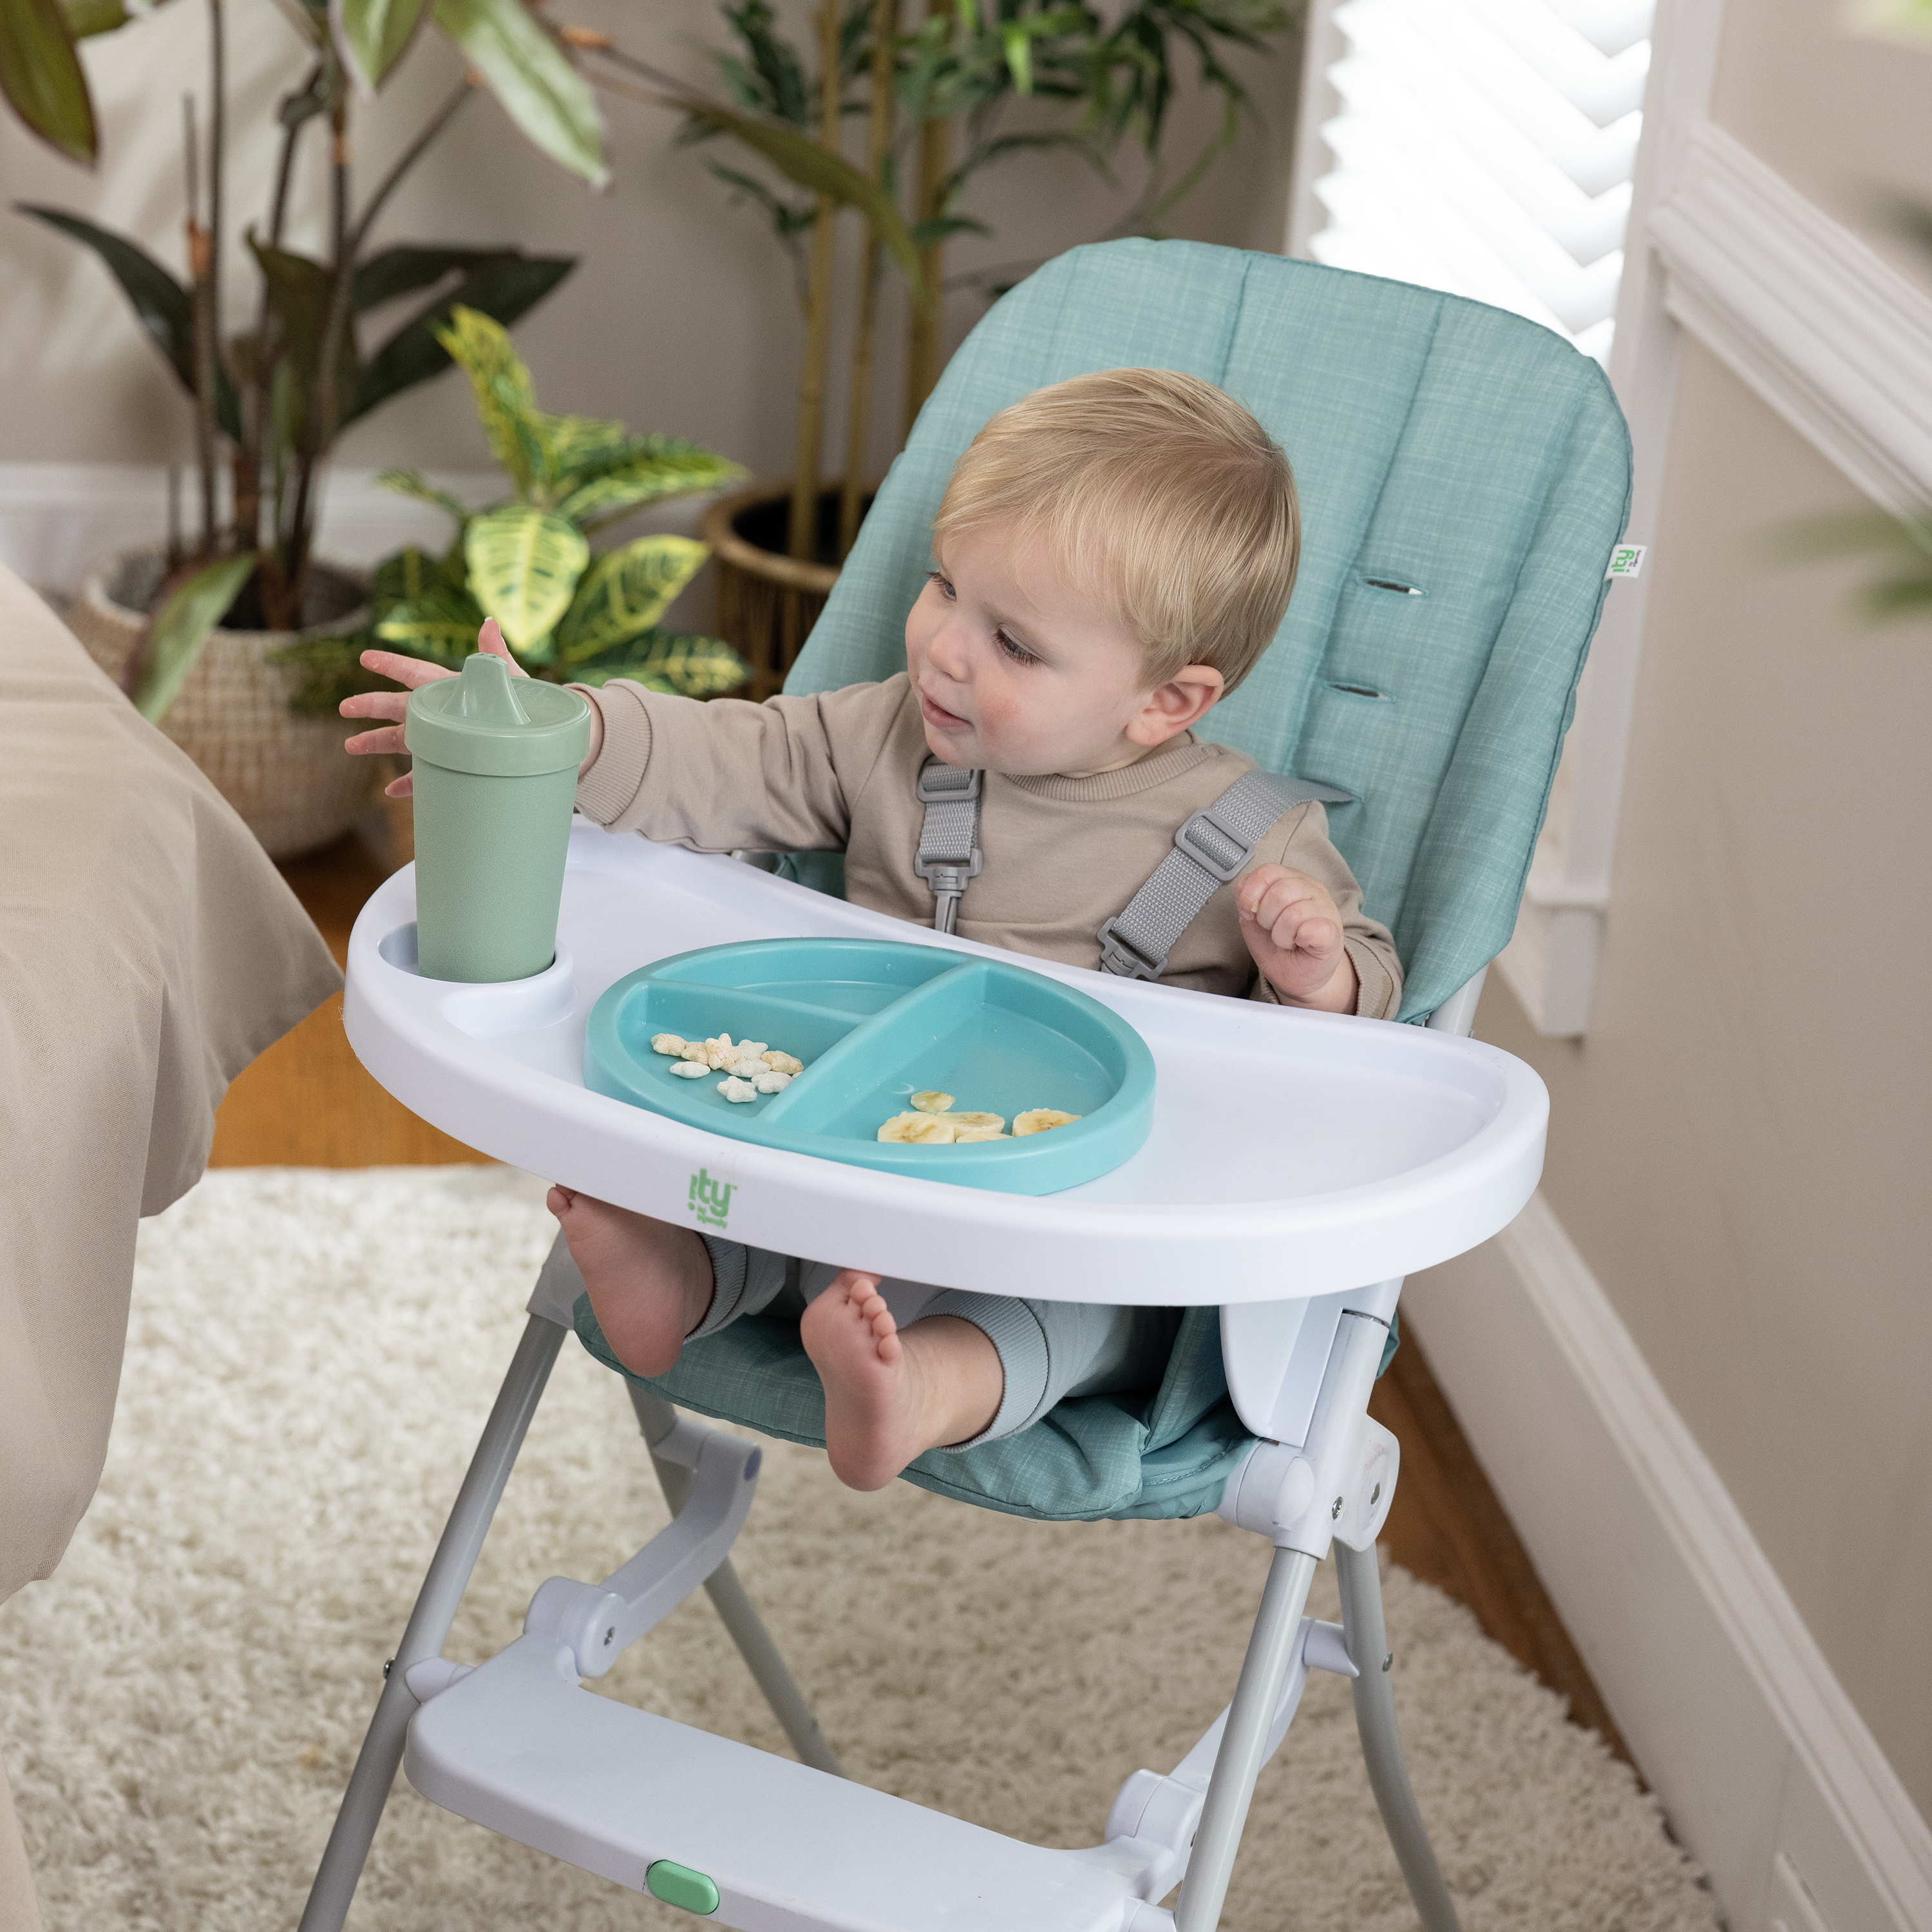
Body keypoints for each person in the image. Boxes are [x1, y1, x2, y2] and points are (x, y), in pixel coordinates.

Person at [342, 368, 1403, 1493]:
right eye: (946, 587)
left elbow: (1358, 1039)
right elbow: (731, 758)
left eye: (1014, 643)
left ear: (1167, 703)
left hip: (1059, 1226)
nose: (944, 649)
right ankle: (679, 1273)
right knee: (727, 1172)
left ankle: (923, 1388)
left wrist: (1314, 975)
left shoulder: (1251, 839)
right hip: (835, 1155)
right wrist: (567, 734)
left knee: (1092, 1309)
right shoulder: (888, 738)